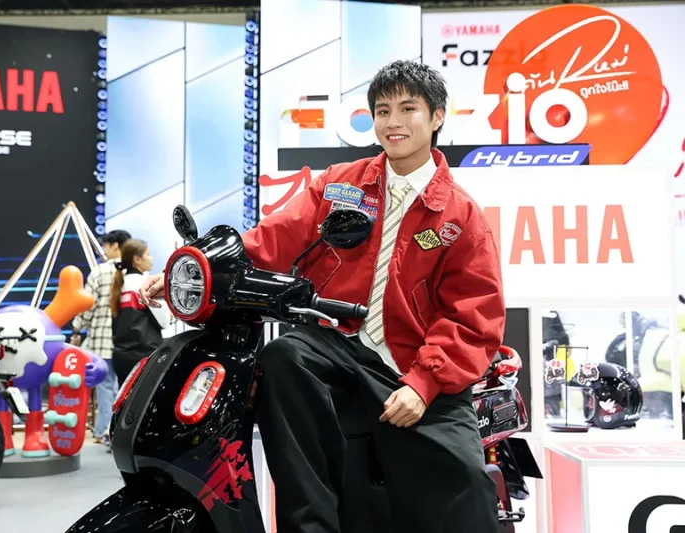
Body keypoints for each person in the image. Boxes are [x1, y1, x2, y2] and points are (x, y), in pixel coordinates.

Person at [140, 60, 505, 533]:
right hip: (339, 344)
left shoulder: (461, 216)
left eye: (408, 109)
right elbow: (272, 238)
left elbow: (473, 315)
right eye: (382, 110)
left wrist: (424, 383)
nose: (393, 122)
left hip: (416, 361)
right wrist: (195, 270)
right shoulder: (340, 185)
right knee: (284, 355)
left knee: (465, 486)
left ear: (437, 116)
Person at [72, 229, 132, 445]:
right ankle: (106, 431)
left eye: (105, 246)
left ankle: (107, 434)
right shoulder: (134, 272)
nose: (104, 251)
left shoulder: (99, 272)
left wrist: (77, 328)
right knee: (123, 388)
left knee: (105, 388)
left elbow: (87, 306)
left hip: (101, 340)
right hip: (127, 341)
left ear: (115, 245)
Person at [110, 239, 171, 385]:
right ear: (137, 259)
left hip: (121, 357)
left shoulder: (119, 285)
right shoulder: (145, 285)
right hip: (144, 357)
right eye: (148, 254)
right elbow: (164, 321)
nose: (151, 258)